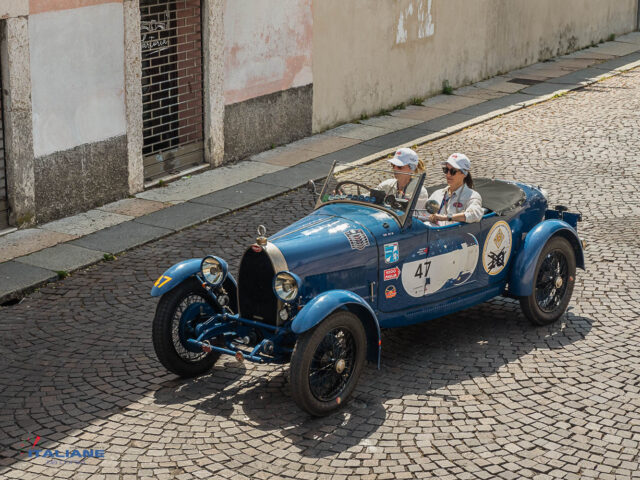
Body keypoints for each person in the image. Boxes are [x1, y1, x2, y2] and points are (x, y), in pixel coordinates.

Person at [428, 153, 483, 226]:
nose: (448, 174)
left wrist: (446, 218)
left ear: (464, 173)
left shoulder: (472, 196)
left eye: (453, 171)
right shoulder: (437, 194)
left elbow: (474, 215)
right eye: (446, 170)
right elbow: (423, 214)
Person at [377, 148, 429, 216]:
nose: (394, 169)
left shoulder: (419, 192)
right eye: (393, 165)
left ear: (412, 168)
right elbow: (369, 196)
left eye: (399, 166)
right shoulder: (387, 184)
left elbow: (409, 217)